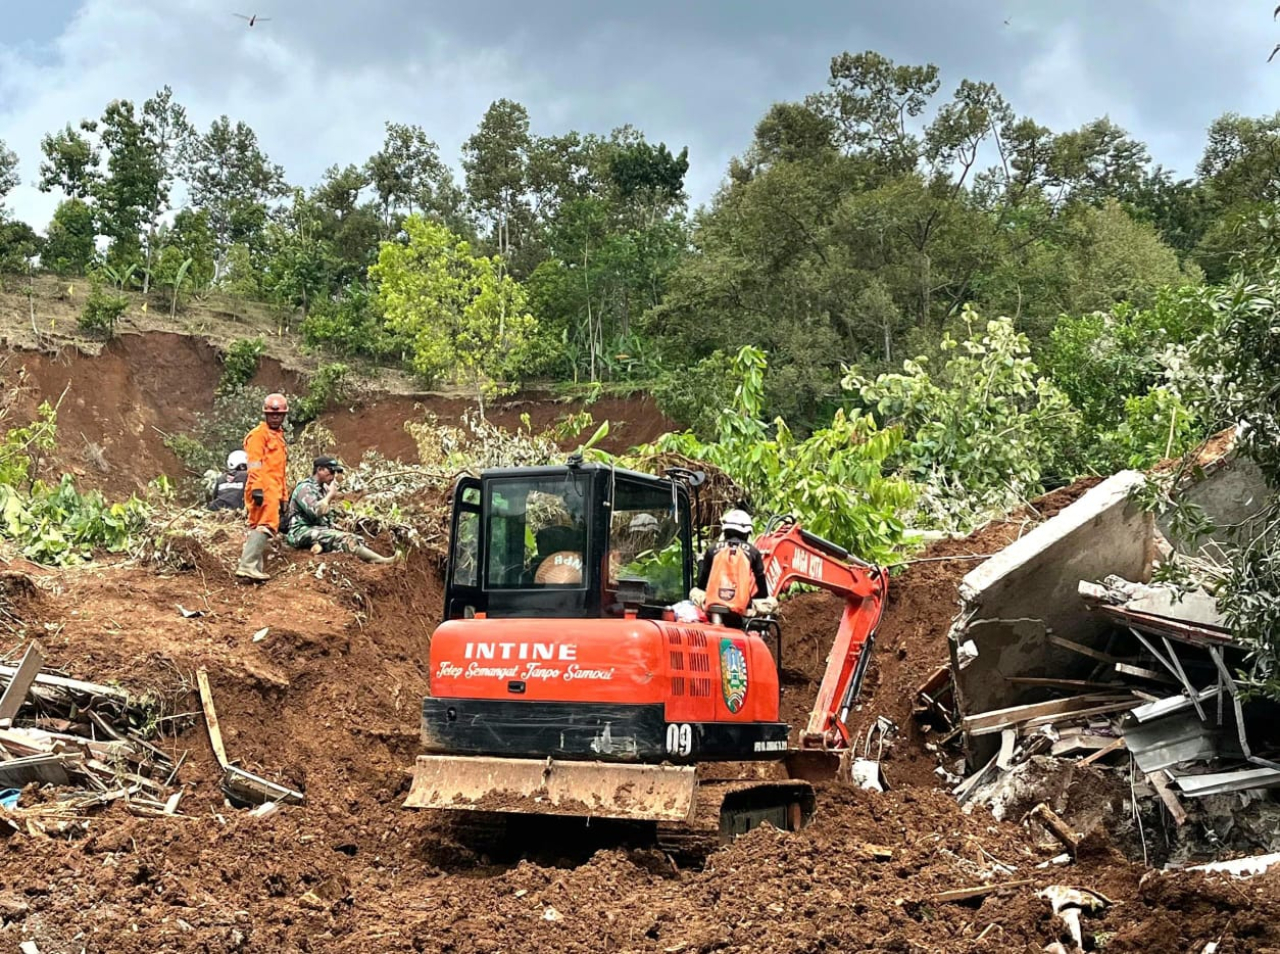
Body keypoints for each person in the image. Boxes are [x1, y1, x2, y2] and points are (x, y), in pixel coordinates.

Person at [285, 456, 396, 564]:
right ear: (319, 470)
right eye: (331, 472)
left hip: (315, 529)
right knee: (347, 539)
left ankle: (317, 546)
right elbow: (315, 511)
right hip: (300, 531)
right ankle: (379, 560)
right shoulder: (305, 488)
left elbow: (325, 518)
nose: (333, 476)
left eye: (335, 473)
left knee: (356, 538)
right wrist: (330, 495)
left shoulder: (322, 489)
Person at [689, 508, 777, 628]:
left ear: (725, 531)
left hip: (713, 605)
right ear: (746, 533)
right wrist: (752, 601)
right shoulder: (753, 552)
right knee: (772, 603)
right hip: (740, 607)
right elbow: (762, 586)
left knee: (694, 592)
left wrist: (700, 563)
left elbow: (702, 584)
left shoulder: (712, 549)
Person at [234, 393, 290, 581]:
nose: (275, 417)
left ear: (283, 416)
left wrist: (284, 496)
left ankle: (253, 569)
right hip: (263, 487)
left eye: (279, 414)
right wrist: (257, 487)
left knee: (258, 525)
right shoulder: (259, 435)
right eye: (271, 414)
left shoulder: (278, 437)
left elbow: (280, 470)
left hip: (273, 488)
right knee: (267, 524)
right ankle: (247, 566)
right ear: (265, 414)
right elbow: (254, 463)